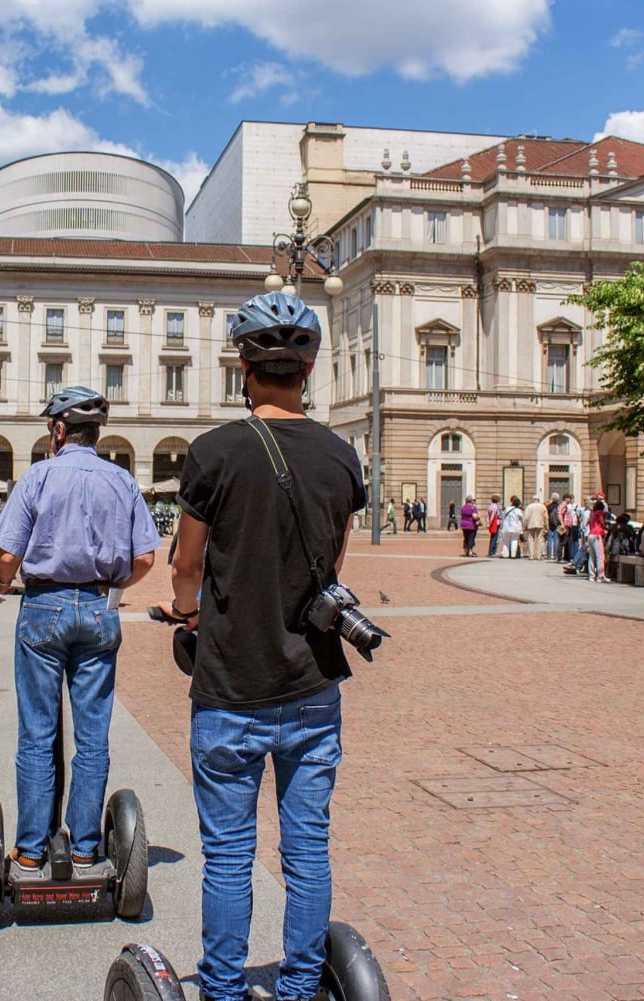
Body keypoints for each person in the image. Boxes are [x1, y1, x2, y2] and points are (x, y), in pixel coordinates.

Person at [158, 291, 365, 1001]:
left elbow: (186, 566)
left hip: (231, 686)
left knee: (229, 854)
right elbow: (331, 569)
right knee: (307, 851)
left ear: (243, 368)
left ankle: (221, 989)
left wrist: (187, 614)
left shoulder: (214, 452)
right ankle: (302, 986)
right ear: (308, 369)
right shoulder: (341, 457)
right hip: (311, 685)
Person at [0, 385, 158, 877]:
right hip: (100, 610)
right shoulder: (123, 481)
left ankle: (31, 848)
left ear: (60, 431)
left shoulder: (38, 476)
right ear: (96, 434)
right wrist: (113, 585)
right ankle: (85, 846)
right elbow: (147, 558)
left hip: (44, 606)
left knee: (37, 733)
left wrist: (3, 580)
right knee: (93, 734)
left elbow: (7, 554)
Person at [522, 495, 549, 560]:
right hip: (540, 524)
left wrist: (524, 525)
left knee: (530, 539)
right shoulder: (542, 506)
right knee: (540, 539)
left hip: (531, 524)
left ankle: (531, 555)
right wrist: (546, 526)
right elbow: (546, 517)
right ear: (538, 500)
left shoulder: (529, 506)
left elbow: (526, 517)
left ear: (533, 499)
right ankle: (539, 555)